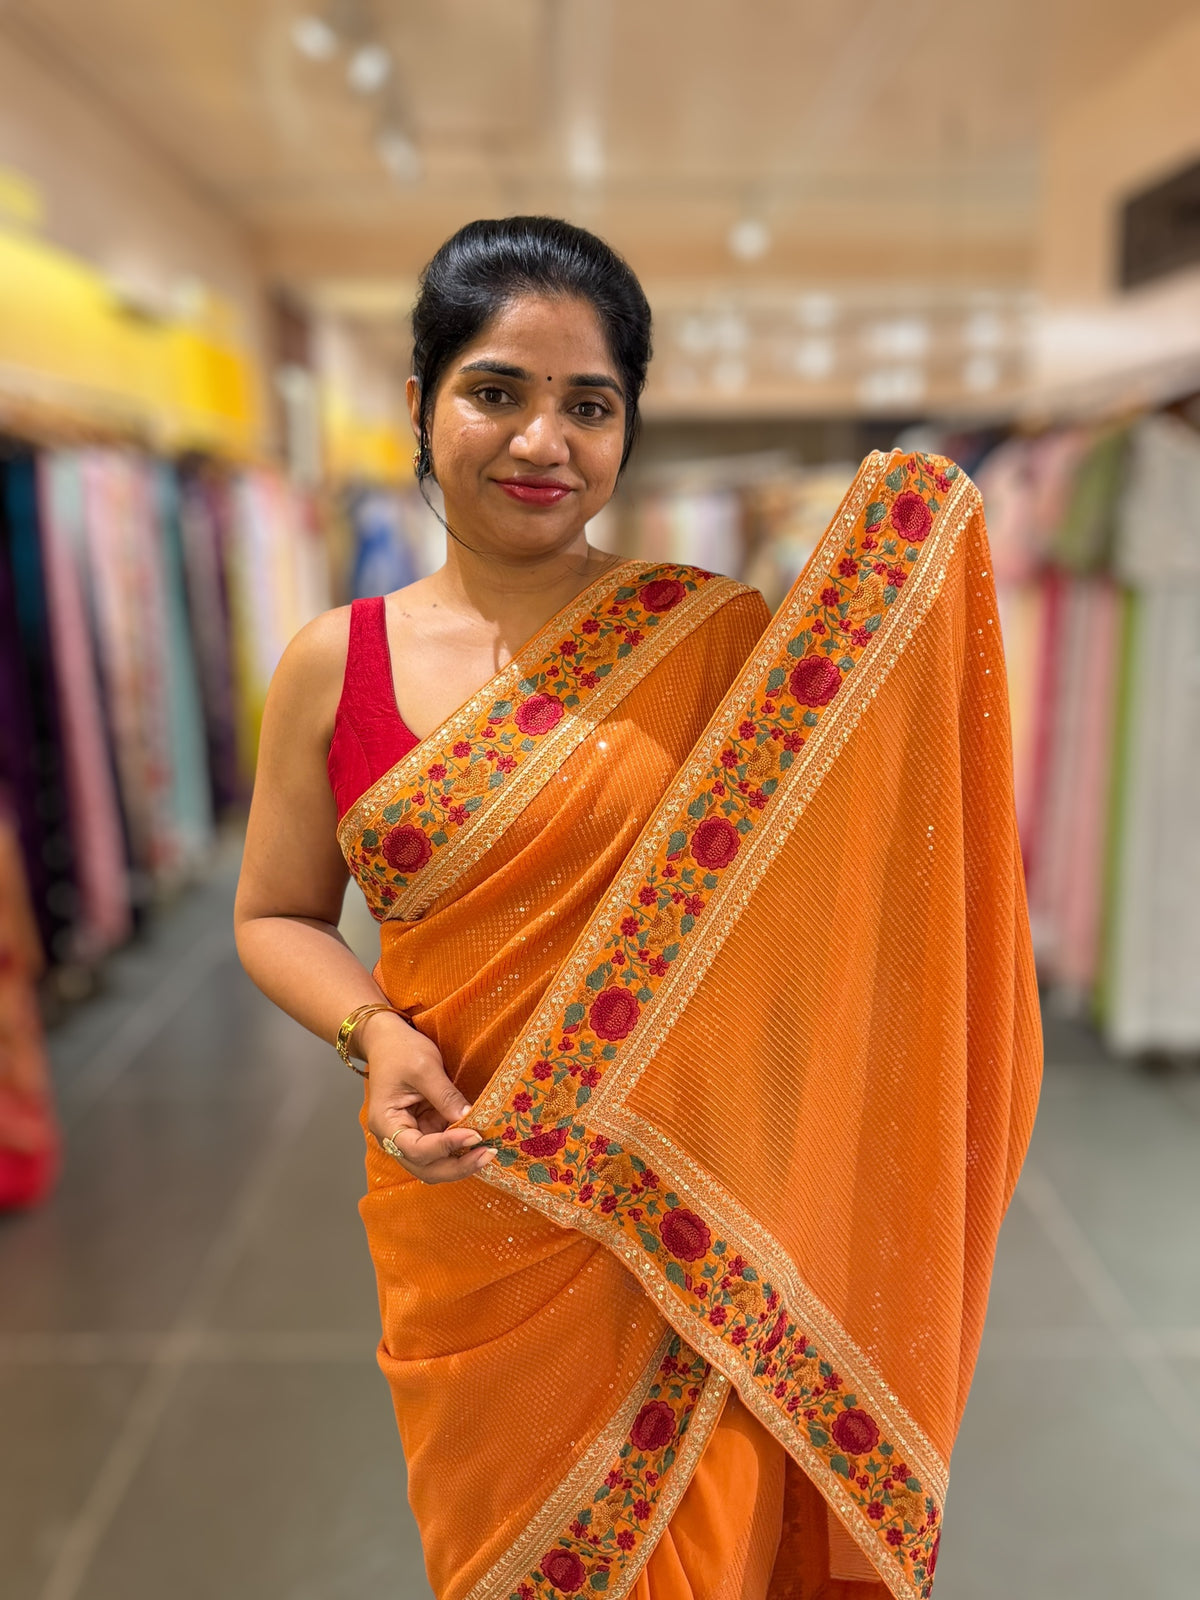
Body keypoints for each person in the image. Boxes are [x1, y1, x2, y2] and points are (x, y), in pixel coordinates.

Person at [235, 217, 1041, 1600]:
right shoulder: (333, 663)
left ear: (626, 432)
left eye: (589, 405)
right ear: (421, 405)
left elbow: (829, 908)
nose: (543, 440)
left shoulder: (714, 636)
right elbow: (274, 914)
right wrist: (375, 1036)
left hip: (682, 1234)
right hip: (465, 1208)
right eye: (497, 390)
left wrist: (911, 567)